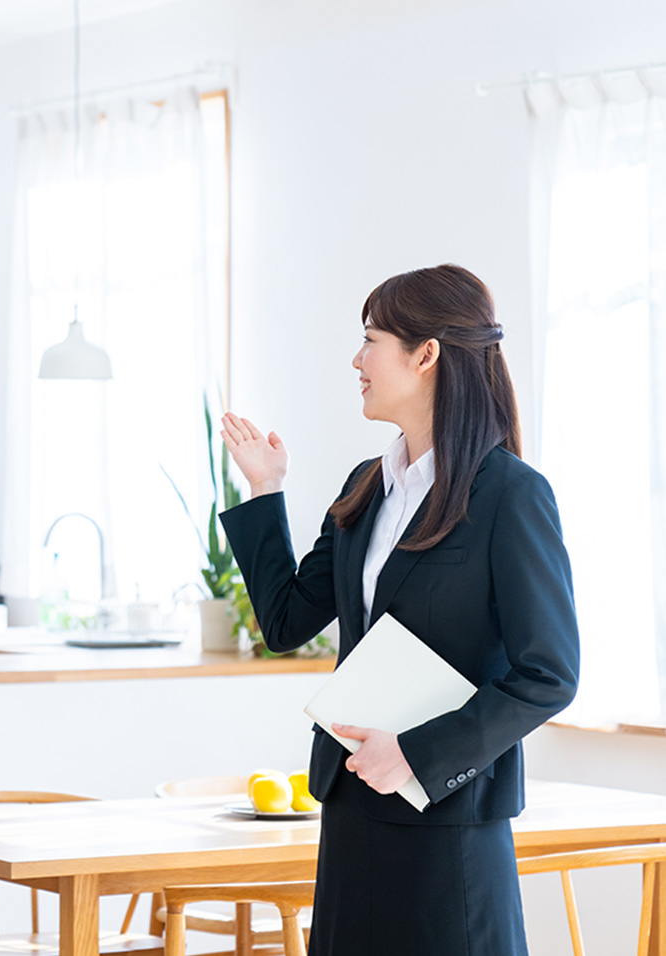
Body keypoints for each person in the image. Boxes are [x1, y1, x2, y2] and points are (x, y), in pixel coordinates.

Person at [218, 264, 580, 955]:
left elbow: (549, 675)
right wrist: (266, 492)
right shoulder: (368, 485)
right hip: (352, 815)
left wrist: (416, 754)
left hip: (448, 829)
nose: (356, 360)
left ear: (425, 354)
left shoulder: (512, 495)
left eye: (370, 340)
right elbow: (287, 623)